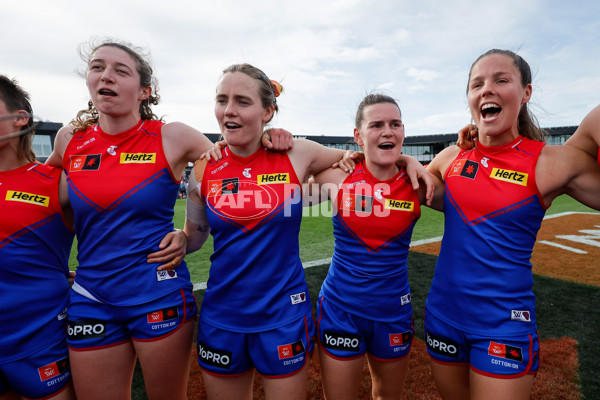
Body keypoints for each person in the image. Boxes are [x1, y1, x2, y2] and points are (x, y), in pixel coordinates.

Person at [183, 64, 395, 400]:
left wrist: (409, 162)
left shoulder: (298, 153)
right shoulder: (205, 165)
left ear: (268, 111)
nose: (229, 110)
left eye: (242, 101)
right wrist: (177, 241)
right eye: (222, 100)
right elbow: (194, 236)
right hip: (223, 315)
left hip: (283, 314)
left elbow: (358, 158)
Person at [45, 39, 217, 400]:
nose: (106, 75)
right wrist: (50, 269)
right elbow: (41, 205)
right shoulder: (69, 140)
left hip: (158, 289)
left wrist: (190, 235)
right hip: (91, 294)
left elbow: (234, 167)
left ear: (144, 91)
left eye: (120, 70)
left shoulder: (174, 136)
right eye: (97, 67)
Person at [424, 49, 600, 400]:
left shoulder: (549, 162)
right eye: (477, 84)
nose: (487, 89)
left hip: (504, 326)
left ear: (526, 93)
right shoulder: (451, 156)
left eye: (501, 80)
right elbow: (404, 189)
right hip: (442, 317)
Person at [311, 93, 443, 400]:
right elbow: (283, 185)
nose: (387, 131)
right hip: (339, 310)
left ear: (403, 132)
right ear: (358, 136)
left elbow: (474, 198)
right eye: (376, 125)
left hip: (392, 311)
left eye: (395, 124)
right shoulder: (336, 176)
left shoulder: (419, 183)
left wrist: (410, 160)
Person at [0, 76, 76, 400]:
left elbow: (120, 223)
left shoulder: (55, 182)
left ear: (20, 119)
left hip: (40, 340)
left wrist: (179, 235)